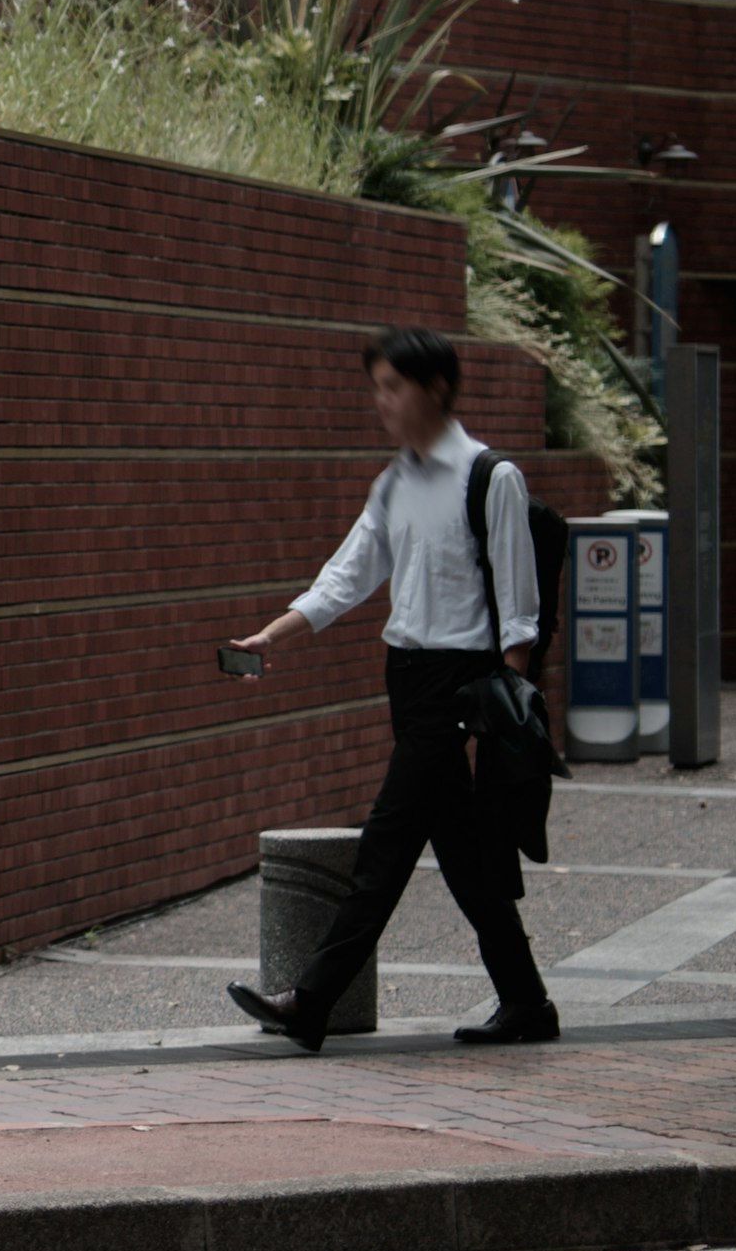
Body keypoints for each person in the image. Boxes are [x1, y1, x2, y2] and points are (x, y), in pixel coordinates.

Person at [224, 327, 558, 1053]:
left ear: (435, 390)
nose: (382, 402)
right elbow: (347, 575)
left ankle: (310, 1002)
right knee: (465, 861)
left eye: (393, 387)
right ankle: (527, 1002)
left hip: (463, 690)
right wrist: (272, 637)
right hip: (406, 680)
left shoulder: (490, 478)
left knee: (386, 844)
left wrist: (503, 720)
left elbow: (520, 609)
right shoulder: (396, 482)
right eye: (377, 387)